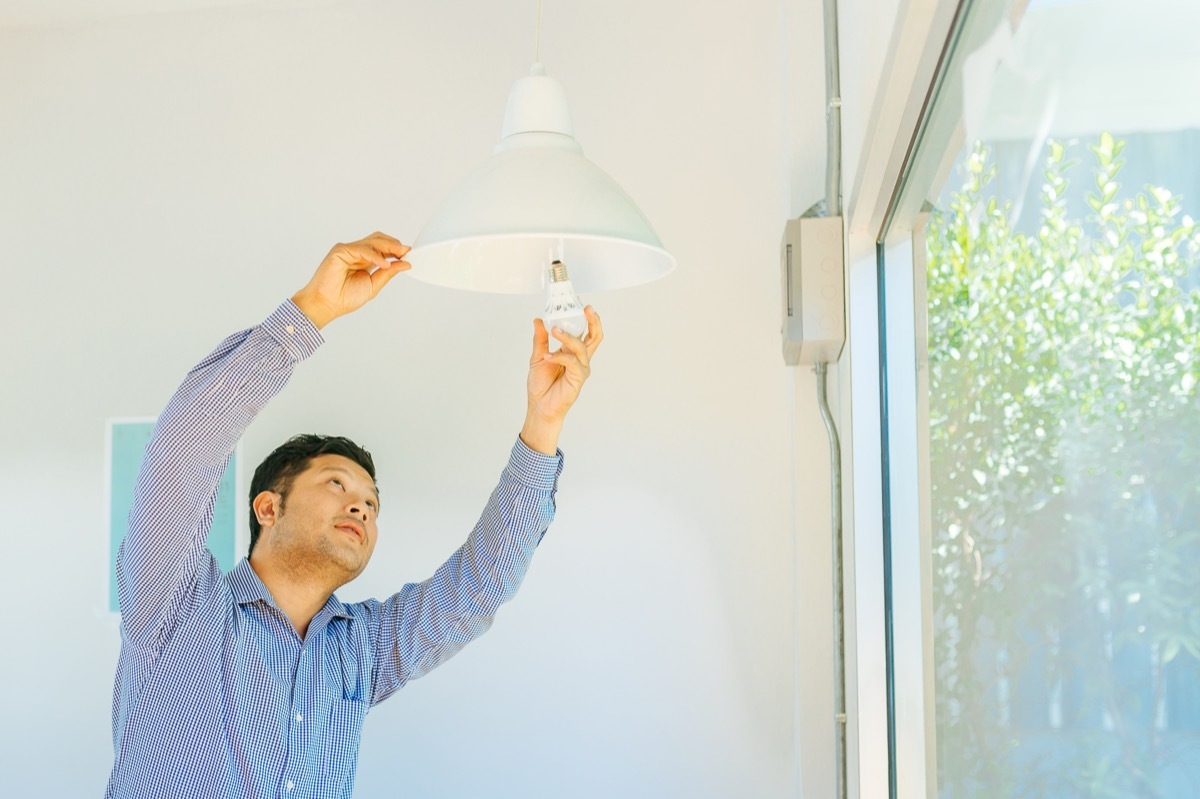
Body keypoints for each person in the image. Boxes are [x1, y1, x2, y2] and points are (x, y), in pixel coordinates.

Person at [105, 232, 603, 798]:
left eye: (371, 502)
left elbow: (479, 587)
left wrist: (543, 426)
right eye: (337, 484)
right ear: (268, 506)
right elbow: (187, 445)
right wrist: (311, 311)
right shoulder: (174, 606)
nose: (361, 506)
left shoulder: (360, 649)